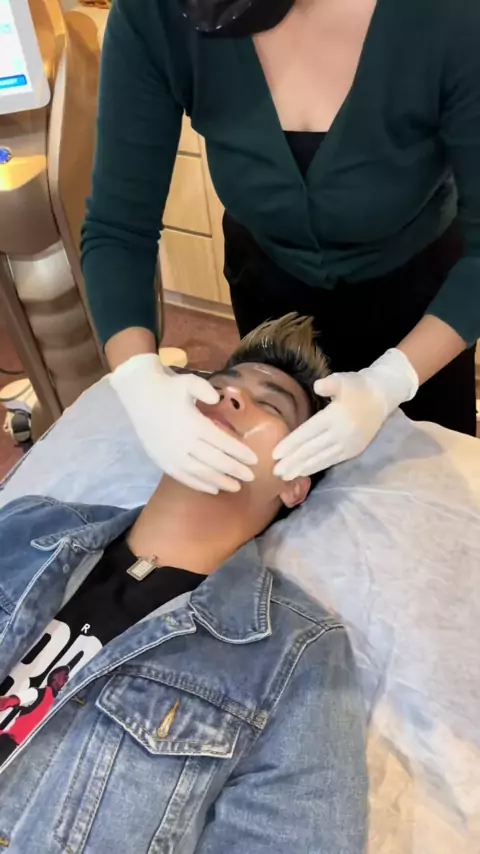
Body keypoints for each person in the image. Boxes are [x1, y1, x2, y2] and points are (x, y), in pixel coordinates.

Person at [0, 315, 367, 854]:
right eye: (220, 384)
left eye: (270, 404)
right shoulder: (33, 524)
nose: (228, 396)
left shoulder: (296, 657)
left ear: (295, 484)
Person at [82, 0, 479, 493]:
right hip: (269, 296)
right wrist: (137, 377)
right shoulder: (157, 15)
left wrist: (392, 382)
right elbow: (119, 226)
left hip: (421, 307)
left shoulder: (453, 18)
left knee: (425, 492)